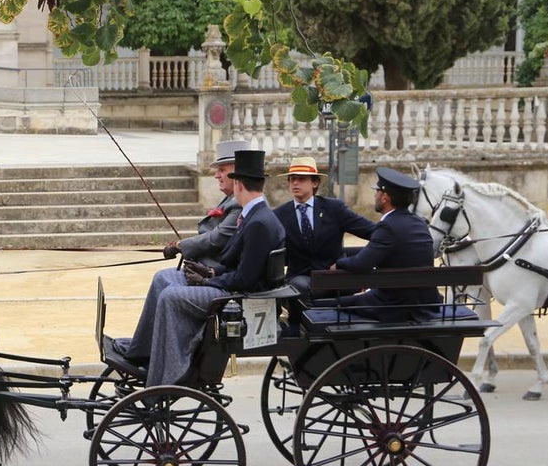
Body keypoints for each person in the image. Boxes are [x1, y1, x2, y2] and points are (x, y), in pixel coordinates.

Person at [118, 149, 286, 386]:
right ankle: (146, 352)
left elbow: (244, 280)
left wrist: (209, 281)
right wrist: (211, 272)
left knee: (171, 297)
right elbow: (235, 264)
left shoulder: (258, 222)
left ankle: (170, 372)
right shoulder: (256, 215)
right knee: (163, 281)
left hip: (237, 298)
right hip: (230, 287)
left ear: (238, 184)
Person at [313, 167, 441, 323]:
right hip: (425, 303)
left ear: (385, 197)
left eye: (377, 191)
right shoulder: (419, 223)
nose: (375, 195)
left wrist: (338, 263)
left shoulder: (387, 226)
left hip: (394, 306)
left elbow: (361, 264)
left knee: (324, 305)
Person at [271, 156, 375, 299]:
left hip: (335, 277)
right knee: (299, 287)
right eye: (292, 179)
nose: (295, 183)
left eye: (301, 179)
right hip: (300, 281)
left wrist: (357, 263)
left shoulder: (334, 209)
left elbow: (374, 232)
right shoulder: (279, 215)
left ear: (315, 182)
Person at [161, 139, 250, 269]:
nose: (216, 176)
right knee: (162, 278)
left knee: (163, 280)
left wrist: (179, 245)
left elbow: (217, 239)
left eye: (222, 170)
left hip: (219, 270)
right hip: (210, 263)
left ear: (238, 172)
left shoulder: (242, 203)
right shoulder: (232, 198)